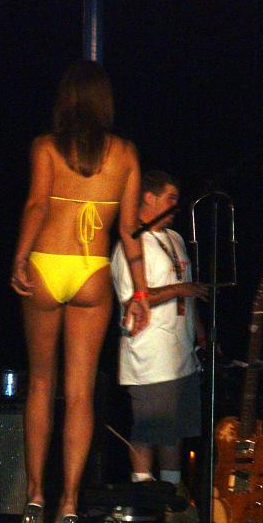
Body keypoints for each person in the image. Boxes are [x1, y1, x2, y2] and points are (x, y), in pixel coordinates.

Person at [10, 60, 150, 523]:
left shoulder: (46, 147)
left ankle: (34, 496)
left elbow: (36, 206)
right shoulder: (126, 154)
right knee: (80, 394)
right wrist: (140, 293)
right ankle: (67, 507)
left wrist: (20, 257)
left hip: (48, 264)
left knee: (40, 384)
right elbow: (130, 231)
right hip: (92, 270)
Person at [111, 171, 208, 503]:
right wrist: (181, 289)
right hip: (150, 352)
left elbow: (188, 292)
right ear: (148, 198)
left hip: (181, 351)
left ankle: (171, 494)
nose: (176, 206)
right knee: (148, 427)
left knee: (174, 430)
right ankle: (142, 493)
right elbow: (133, 298)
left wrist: (199, 332)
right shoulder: (131, 245)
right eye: (170, 198)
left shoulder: (175, 238)